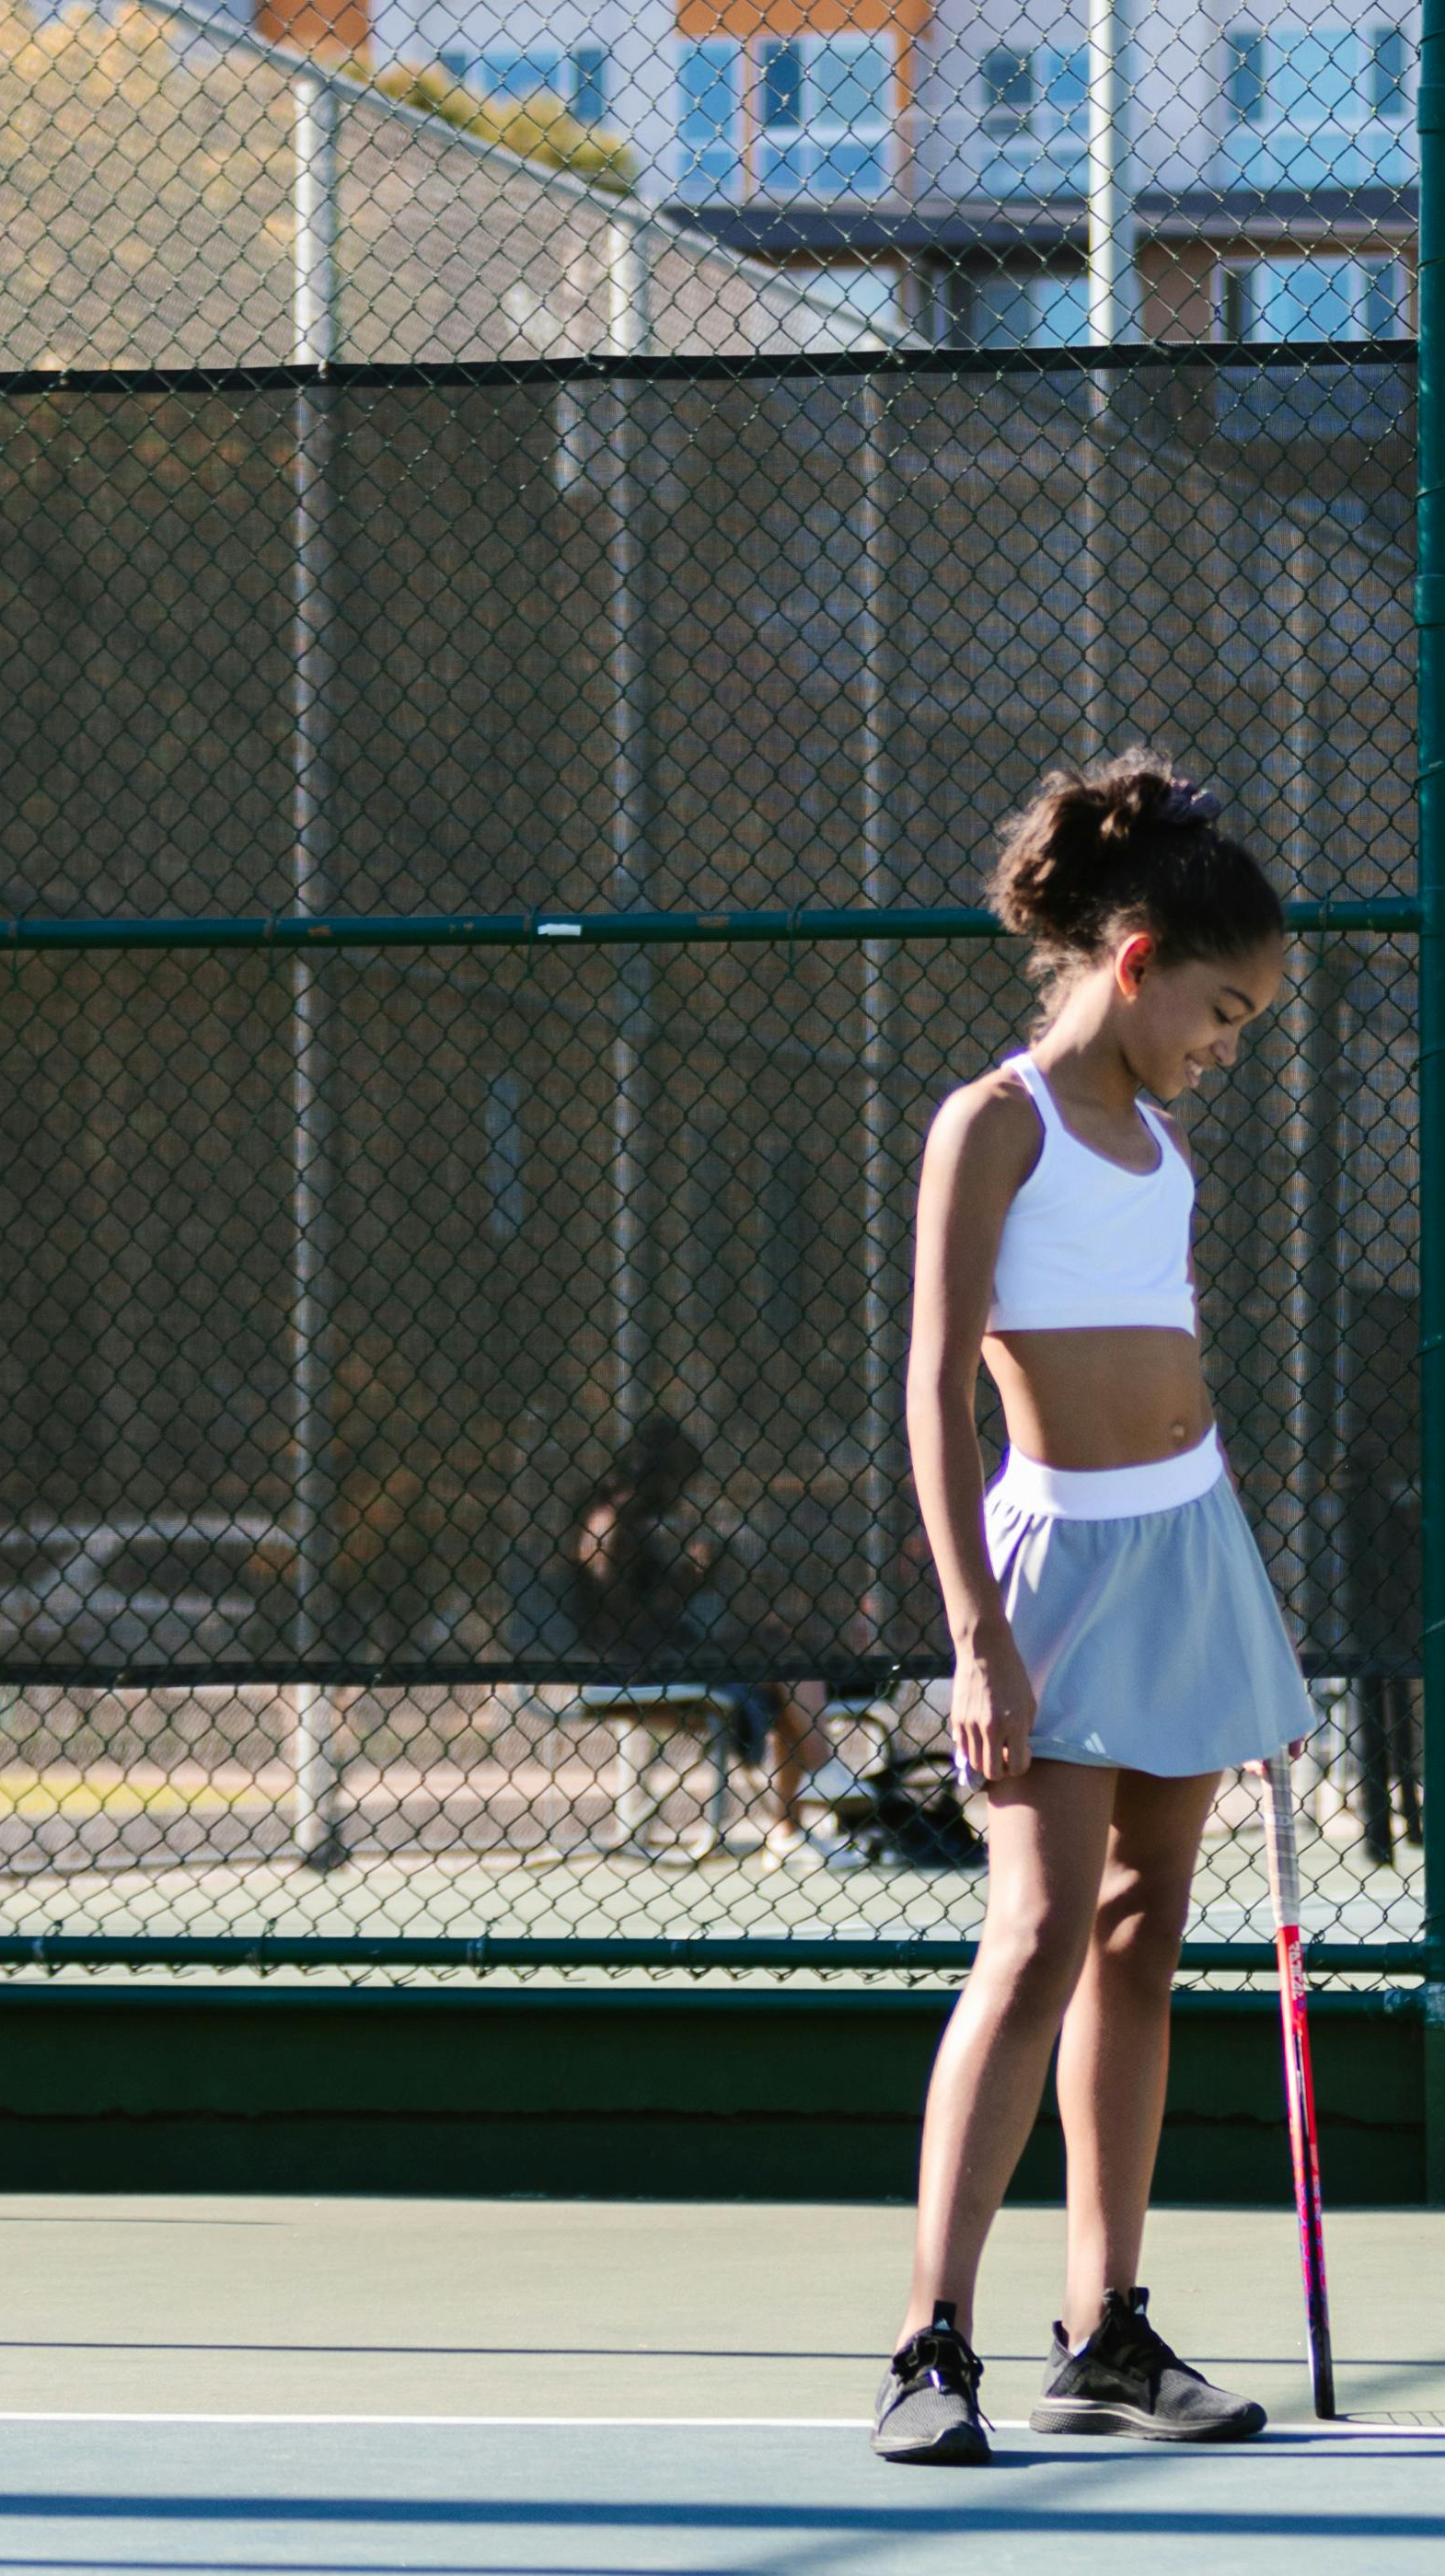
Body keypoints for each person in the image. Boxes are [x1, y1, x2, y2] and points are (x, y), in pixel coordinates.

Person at [873, 753, 1308, 2467]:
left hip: (1188, 1545)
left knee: (1140, 1940)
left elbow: (1160, 1360)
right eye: (1218, 1007)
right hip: (1050, 1568)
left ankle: (1104, 2328)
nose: (1225, 1041)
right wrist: (974, 1624)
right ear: (1133, 959)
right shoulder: (991, 1123)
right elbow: (932, 1387)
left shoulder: (1163, 1142)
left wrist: (1217, 1576)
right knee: (1038, 1932)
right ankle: (928, 2335)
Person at [560, 1415, 832, 1862]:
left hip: (664, 1651)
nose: (679, 1493)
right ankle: (825, 1784)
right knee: (785, 1665)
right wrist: (682, 1585)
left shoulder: (631, 1521)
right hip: (638, 1665)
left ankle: (795, 1820)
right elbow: (621, 1621)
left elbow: (648, 1608)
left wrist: (689, 1581)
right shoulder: (613, 1525)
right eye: (676, 1479)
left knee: (783, 1653)